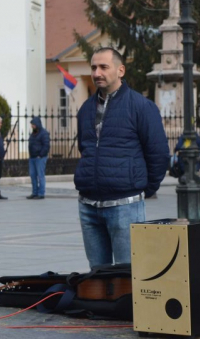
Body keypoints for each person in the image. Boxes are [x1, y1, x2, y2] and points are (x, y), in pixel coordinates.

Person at [75, 47, 169, 268]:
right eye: (93, 67)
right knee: (97, 275)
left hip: (125, 206)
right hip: (88, 206)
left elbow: (158, 153)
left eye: (103, 67)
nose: (97, 73)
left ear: (120, 70)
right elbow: (85, 148)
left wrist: (144, 189)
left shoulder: (141, 106)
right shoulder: (86, 109)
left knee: (130, 274)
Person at [27, 116, 50, 200]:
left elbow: (46, 146)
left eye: (33, 124)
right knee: (33, 175)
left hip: (40, 158)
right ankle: (34, 192)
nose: (32, 126)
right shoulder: (33, 134)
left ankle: (41, 193)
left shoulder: (44, 133)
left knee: (40, 175)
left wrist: (40, 155)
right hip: (32, 157)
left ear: (37, 124)